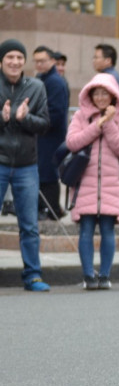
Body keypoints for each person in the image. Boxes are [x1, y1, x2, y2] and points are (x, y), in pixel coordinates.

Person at [64, 73, 119, 290]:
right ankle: (88, 276)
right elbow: (73, 143)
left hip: (112, 185)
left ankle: (104, 276)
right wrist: (98, 124)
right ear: (90, 95)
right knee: (85, 230)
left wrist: (109, 123)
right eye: (97, 93)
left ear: (114, 96)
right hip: (85, 183)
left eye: (105, 93)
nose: (101, 97)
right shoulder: (79, 117)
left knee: (107, 231)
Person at [0, 38, 51, 292]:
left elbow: (44, 124)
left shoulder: (36, 87)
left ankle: (33, 275)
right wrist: (2, 119)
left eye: (19, 57)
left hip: (26, 166)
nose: (15, 62)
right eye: (10, 57)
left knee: (29, 224)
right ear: (1, 61)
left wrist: (24, 118)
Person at [33, 45, 69, 220]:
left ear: (52, 61)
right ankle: (48, 209)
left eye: (43, 61)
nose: (39, 64)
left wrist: (35, 121)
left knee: (48, 174)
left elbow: (56, 112)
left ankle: (52, 210)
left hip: (51, 136)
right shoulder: (42, 78)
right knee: (42, 173)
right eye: (36, 61)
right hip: (42, 135)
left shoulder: (55, 81)